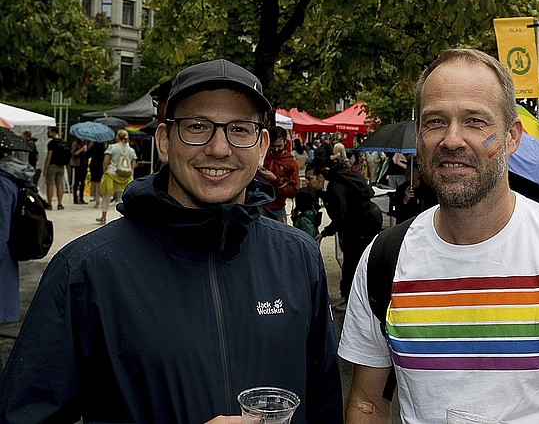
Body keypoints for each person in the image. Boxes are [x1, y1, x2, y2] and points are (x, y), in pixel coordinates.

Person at [0, 58, 343, 423]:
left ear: (261, 147)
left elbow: (324, 404)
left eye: (240, 129)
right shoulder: (86, 272)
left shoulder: (299, 258)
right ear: (164, 141)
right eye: (197, 126)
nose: (219, 148)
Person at [338, 48, 539, 423]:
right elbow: (368, 403)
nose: (452, 140)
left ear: (511, 136)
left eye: (475, 121)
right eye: (435, 121)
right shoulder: (384, 260)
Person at [306, 159, 382, 312]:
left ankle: (353, 300)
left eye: (309, 178)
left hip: (366, 222)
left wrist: (326, 233)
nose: (307, 182)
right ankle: (347, 297)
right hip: (356, 225)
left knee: (355, 261)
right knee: (350, 260)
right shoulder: (327, 190)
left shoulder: (336, 188)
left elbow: (343, 215)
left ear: (320, 177)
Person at [0, 149, 35, 324]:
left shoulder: (2, 181)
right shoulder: (12, 176)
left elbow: (2, 221)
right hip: (10, 245)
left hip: (3, 247)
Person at [257, 126, 299, 223]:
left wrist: (275, 180)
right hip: (258, 206)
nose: (276, 149)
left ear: (285, 142)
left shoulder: (291, 164)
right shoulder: (261, 157)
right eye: (273, 145)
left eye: (279, 146)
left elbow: (293, 192)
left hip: (278, 209)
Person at [97, 130, 137, 224]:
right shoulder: (131, 150)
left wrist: (104, 171)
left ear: (118, 136)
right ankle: (122, 217)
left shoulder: (112, 147)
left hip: (112, 174)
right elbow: (133, 163)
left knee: (106, 195)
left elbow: (105, 161)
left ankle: (103, 216)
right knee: (122, 198)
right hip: (126, 176)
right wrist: (130, 171)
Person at [392, 157, 437, 224]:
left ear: (419, 173)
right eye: (407, 169)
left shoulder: (428, 190)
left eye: (411, 170)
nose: (407, 172)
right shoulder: (401, 189)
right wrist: (405, 201)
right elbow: (398, 214)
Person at [42, 126, 68, 210]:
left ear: (53, 132)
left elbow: (49, 156)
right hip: (61, 166)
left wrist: (45, 168)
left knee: (50, 184)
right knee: (59, 185)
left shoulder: (51, 143)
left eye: (49, 131)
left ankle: (49, 203)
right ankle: (60, 203)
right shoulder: (63, 142)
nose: (47, 133)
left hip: (52, 165)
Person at [70, 136, 89, 205]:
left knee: (83, 182)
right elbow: (73, 153)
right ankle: (75, 198)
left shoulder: (86, 143)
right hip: (77, 164)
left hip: (84, 164)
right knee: (76, 181)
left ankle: (81, 197)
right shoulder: (75, 143)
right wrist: (81, 150)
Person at [87, 141, 106, 207]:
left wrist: (88, 148)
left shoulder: (94, 147)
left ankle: (97, 199)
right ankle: (99, 198)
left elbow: (87, 155)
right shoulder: (103, 148)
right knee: (99, 182)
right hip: (101, 166)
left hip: (94, 166)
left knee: (95, 183)